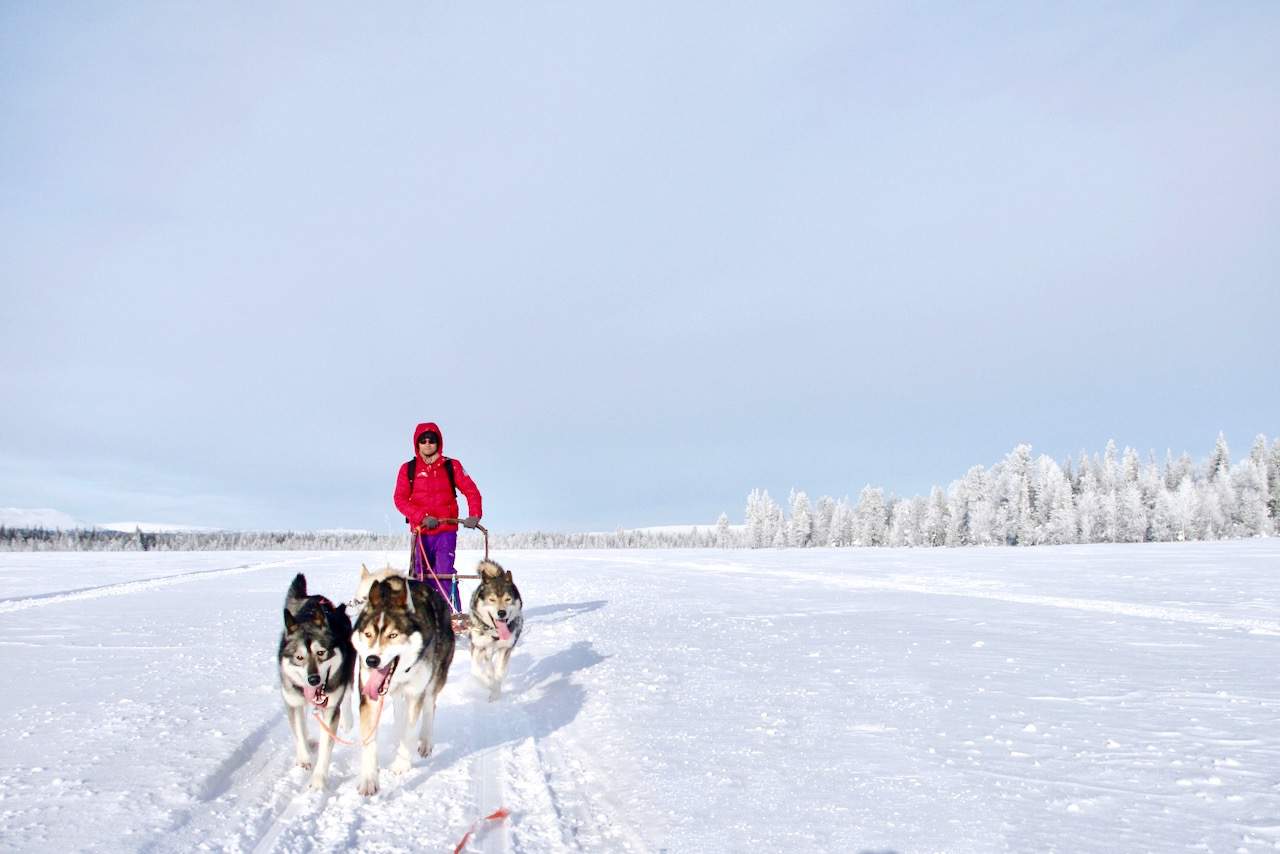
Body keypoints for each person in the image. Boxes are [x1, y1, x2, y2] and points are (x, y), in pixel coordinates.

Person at [393, 421, 482, 611]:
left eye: (431, 440)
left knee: (444, 573)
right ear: (417, 444)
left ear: (438, 442)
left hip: (445, 532)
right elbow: (399, 499)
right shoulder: (408, 469)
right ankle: (423, 615)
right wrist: (422, 517)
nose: (427, 444)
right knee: (420, 576)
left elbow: (471, 491)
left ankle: (450, 614)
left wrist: (474, 514)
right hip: (421, 532)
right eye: (423, 440)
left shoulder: (452, 465)